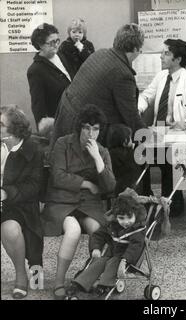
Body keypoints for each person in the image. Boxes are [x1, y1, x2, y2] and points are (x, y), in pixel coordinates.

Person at [42, 104, 116, 299]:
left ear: (100, 130)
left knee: (100, 231)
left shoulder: (103, 151)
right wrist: (87, 184)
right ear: (79, 128)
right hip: (62, 202)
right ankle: (59, 282)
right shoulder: (62, 144)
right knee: (73, 231)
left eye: (96, 128)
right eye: (86, 127)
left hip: (89, 205)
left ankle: (87, 278)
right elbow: (57, 176)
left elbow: (109, 187)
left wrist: (98, 160)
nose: (90, 133)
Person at [138, 39, 186, 216]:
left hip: (176, 139)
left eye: (166, 53)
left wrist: (185, 123)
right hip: (156, 135)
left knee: (170, 166)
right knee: (138, 160)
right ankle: (146, 201)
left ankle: (171, 204)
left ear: (177, 59)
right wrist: (138, 108)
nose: (161, 56)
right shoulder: (161, 76)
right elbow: (146, 96)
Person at [52, 23, 146, 147]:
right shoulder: (123, 74)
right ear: (135, 49)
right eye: (140, 49)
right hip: (81, 132)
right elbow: (131, 116)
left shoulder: (100, 53)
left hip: (64, 119)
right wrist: (149, 136)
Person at [1, 105, 44, 299]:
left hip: (20, 205)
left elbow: (34, 186)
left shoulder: (32, 149)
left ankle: (21, 276)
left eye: (1, 124)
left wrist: (5, 193)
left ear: (15, 129)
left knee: (10, 229)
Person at [66, 194, 146, 298]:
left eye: (129, 217)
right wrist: (96, 248)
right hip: (112, 254)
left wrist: (125, 260)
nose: (126, 222)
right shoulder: (113, 225)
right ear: (116, 217)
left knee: (112, 262)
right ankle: (80, 284)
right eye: (121, 218)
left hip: (128, 259)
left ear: (135, 214)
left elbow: (135, 247)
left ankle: (104, 286)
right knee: (99, 262)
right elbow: (99, 235)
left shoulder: (137, 230)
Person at [27, 23, 73, 128]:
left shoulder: (61, 55)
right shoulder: (35, 70)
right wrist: (44, 130)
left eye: (57, 41)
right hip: (58, 121)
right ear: (40, 45)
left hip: (73, 115)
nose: (56, 45)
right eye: (52, 42)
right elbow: (38, 105)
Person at [106, 124, 142, 196]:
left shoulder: (110, 152)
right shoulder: (127, 153)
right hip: (128, 187)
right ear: (125, 141)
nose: (132, 141)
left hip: (115, 185)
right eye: (130, 138)